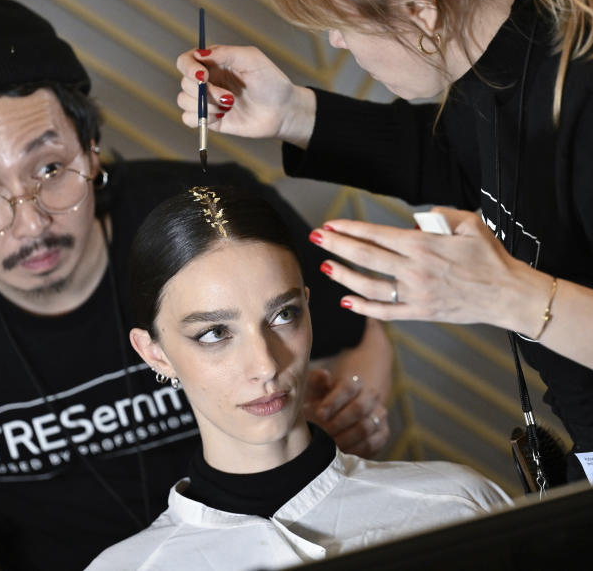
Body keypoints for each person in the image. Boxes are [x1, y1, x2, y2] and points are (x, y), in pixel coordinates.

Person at [0, 0, 395, 571]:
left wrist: (348, 422)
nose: (31, 223)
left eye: (50, 169)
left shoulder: (207, 217)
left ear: (91, 149)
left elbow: (357, 329)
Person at [176, 0, 593, 480]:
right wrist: (290, 112)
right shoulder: (507, 44)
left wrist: (513, 297)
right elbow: (462, 157)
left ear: (414, 6)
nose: (336, 42)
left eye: (338, 23)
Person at [86, 185, 510, 570]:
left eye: (283, 315)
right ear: (155, 353)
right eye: (215, 333)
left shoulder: (455, 506)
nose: (266, 365)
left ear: (308, 308)